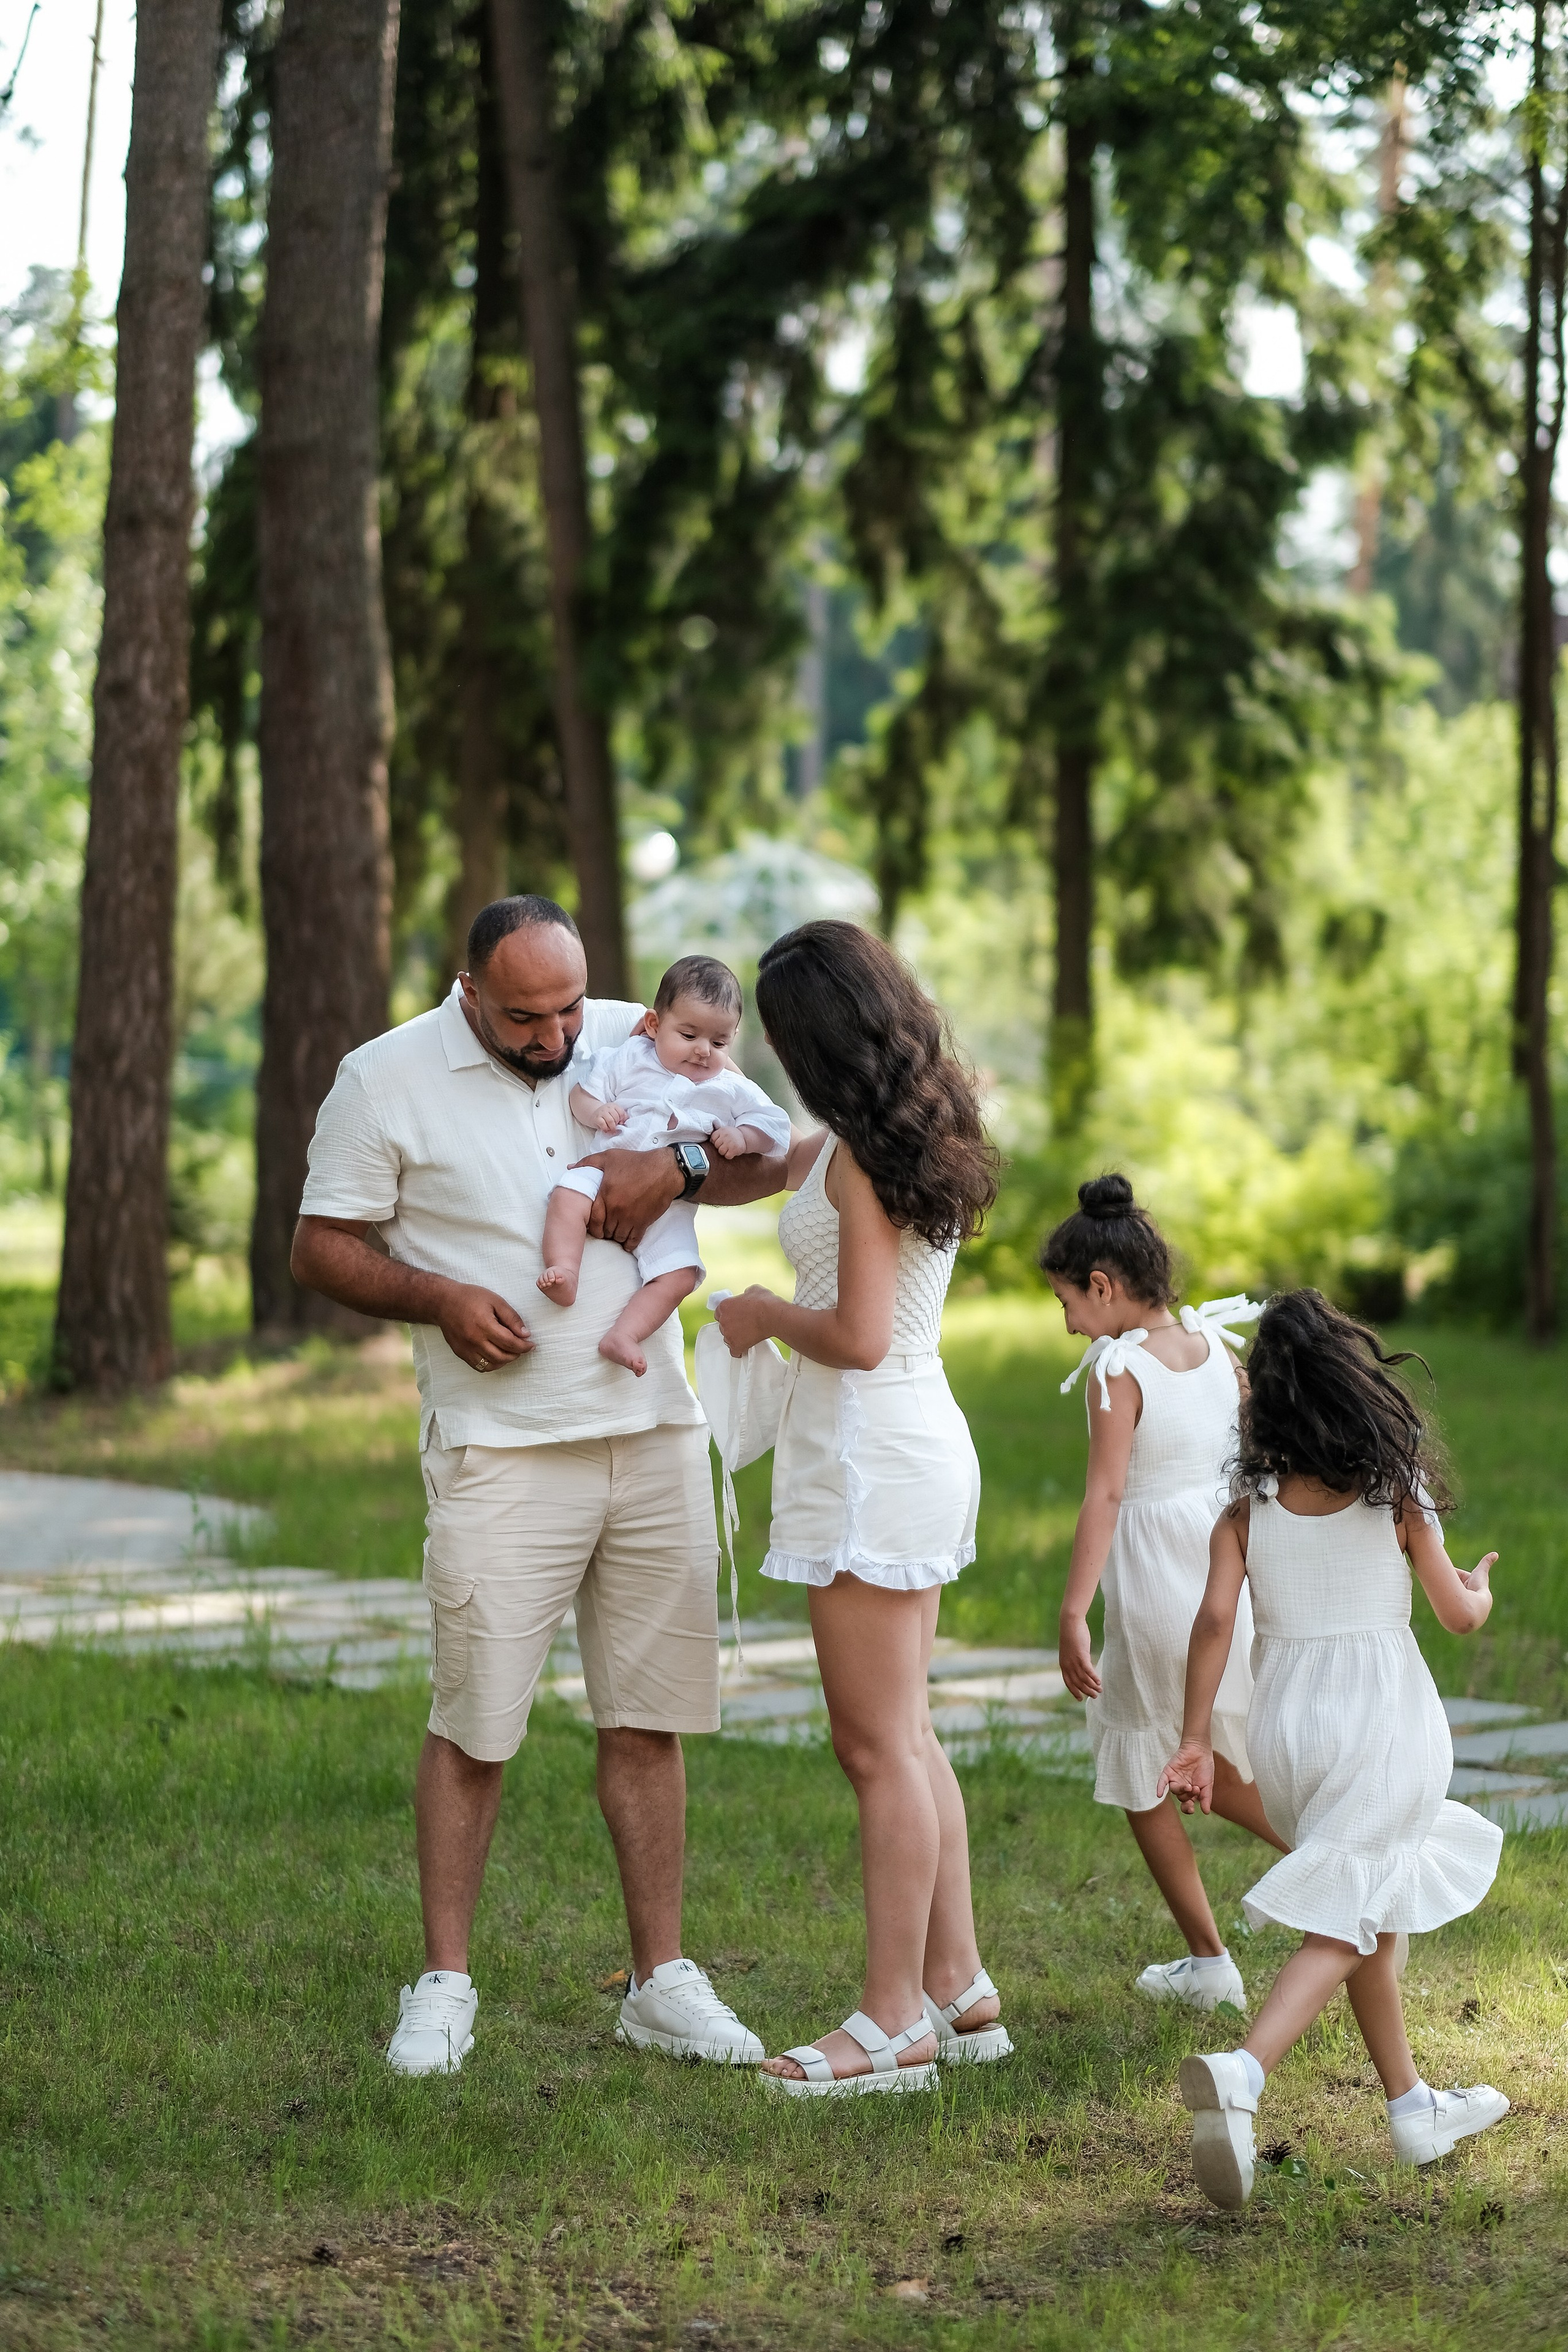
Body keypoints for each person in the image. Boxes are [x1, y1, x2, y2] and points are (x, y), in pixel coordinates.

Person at [290, 894, 788, 2077]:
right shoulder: (384, 1077)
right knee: (475, 1721)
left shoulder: (638, 1029)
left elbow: (755, 1159)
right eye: (528, 1016)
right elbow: (320, 1246)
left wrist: (669, 1163)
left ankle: (660, 1982)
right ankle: (445, 1984)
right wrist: (440, 1299)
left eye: (571, 1004)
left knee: (650, 1716)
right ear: (470, 993)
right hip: (501, 1448)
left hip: (653, 1426)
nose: (559, 1032)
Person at [714, 919, 1009, 2095]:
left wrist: (759, 1315)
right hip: (907, 1435)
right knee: (910, 1732)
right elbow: (778, 1163)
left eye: (782, 1034)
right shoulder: (902, 1129)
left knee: (875, 1745)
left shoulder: (853, 1161)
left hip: (871, 1448)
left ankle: (891, 2023)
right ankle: (960, 1984)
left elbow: (857, 1332)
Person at [1159, 1291, 1508, 2211]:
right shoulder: (1397, 1491)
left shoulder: (1247, 1512)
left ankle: (1412, 2109)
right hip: (1383, 1722)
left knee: (1372, 1906)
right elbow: (1456, 1615)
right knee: (1347, 1921)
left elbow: (1211, 1621)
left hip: (1288, 1735)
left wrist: (1197, 1739)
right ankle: (1243, 2071)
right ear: (1354, 1385)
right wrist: (1476, 1588)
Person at [1041, 1175, 1282, 2017]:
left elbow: (1105, 1495)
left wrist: (1074, 1611)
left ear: (1103, 1287)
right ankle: (1312, 1867)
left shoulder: (1116, 1367)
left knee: (1143, 1770)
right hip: (1222, 1574)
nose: (1068, 1321)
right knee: (1222, 1740)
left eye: (1068, 1300)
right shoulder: (1217, 1348)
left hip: (1152, 1587)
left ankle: (1217, 1954)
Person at [538, 955, 790, 1375]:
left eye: (719, 1043)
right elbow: (582, 1093)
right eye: (689, 1034)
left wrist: (744, 1137)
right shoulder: (630, 1057)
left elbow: (776, 1130)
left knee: (681, 1274)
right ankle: (564, 1268)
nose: (703, 1050)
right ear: (654, 1025)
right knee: (568, 1193)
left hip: (670, 1208)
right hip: (602, 1175)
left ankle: (626, 1334)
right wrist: (597, 1111)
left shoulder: (727, 1087)